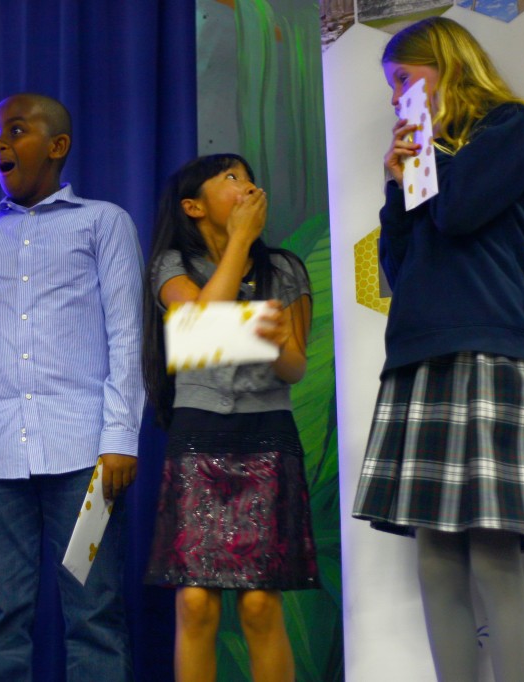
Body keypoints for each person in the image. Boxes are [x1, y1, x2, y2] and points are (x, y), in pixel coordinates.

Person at [350, 17, 524, 682]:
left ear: (445, 63)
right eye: (392, 87)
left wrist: (421, 151)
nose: (397, 98)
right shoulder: (425, 156)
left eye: (403, 80)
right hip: (417, 356)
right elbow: (400, 268)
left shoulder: (509, 126)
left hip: (487, 348)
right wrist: (396, 186)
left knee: (492, 556)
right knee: (436, 558)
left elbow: (457, 214)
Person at [0, 93, 145, 681]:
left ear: (57, 146)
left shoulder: (104, 222)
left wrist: (120, 435)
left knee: (94, 611)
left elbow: (128, 334)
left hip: (89, 458)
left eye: (15, 131)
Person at [142, 153, 319, 682]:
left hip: (266, 438)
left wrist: (278, 345)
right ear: (193, 206)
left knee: (260, 604)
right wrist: (240, 241)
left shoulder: (284, 269)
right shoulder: (171, 266)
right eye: (231, 178)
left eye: (248, 177)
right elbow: (196, 333)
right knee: (195, 602)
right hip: (199, 438)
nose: (246, 186)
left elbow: (294, 369)